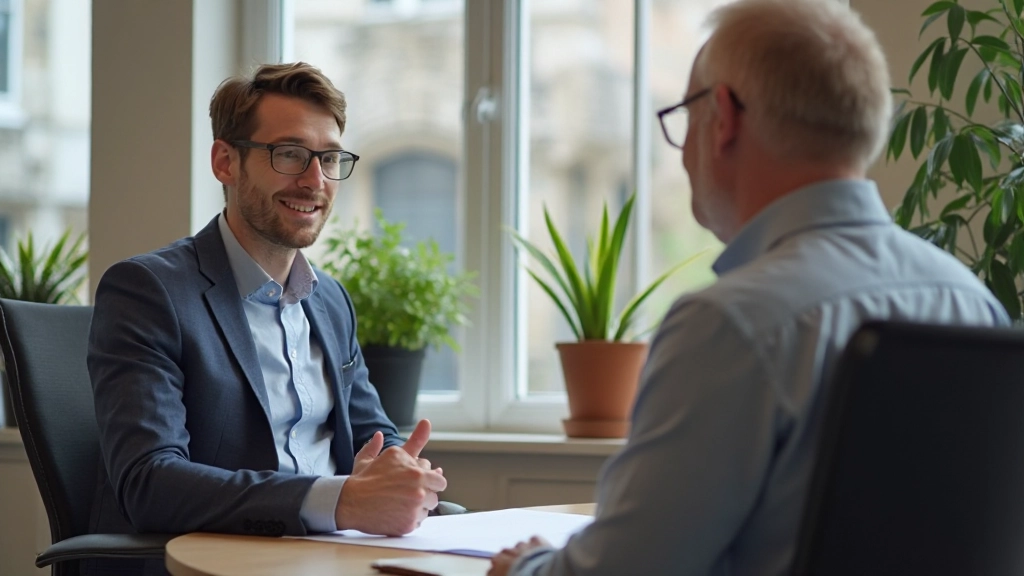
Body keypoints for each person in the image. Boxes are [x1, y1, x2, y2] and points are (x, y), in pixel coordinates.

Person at [489, 0, 1010, 575]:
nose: (683, 152)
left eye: (684, 117)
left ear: (724, 118)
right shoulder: (972, 303)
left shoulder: (731, 324)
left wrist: (527, 567)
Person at [87, 62, 446, 575]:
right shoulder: (149, 291)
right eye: (290, 154)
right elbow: (149, 480)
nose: (314, 180)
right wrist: (339, 500)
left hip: (333, 559)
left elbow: (375, 434)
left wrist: (396, 470)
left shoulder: (330, 301)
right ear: (225, 162)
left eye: (329, 158)